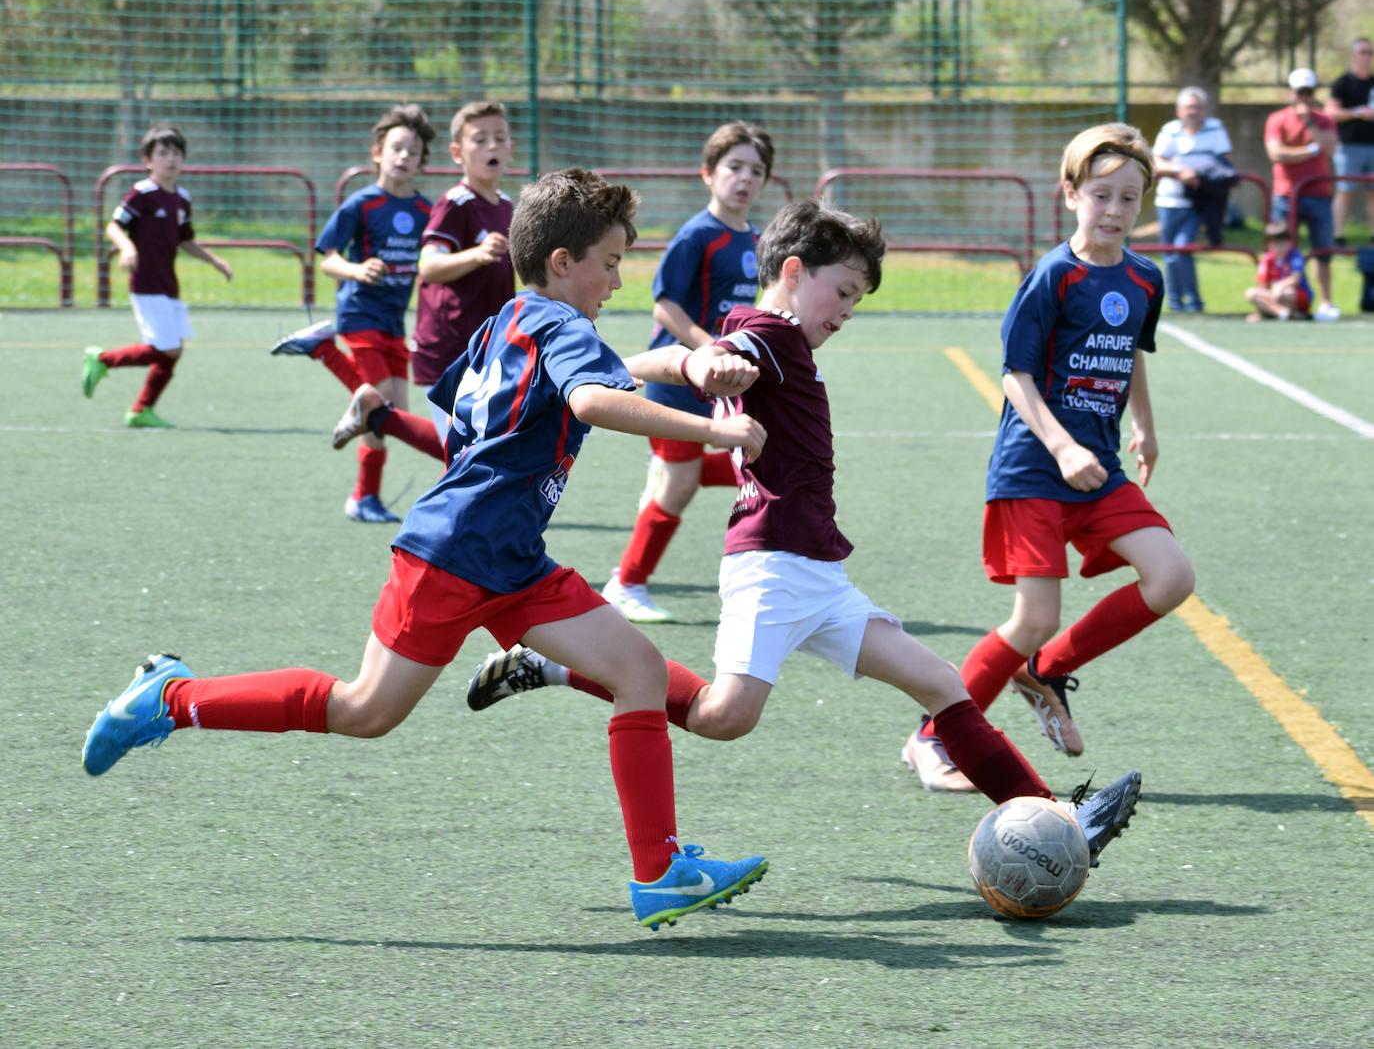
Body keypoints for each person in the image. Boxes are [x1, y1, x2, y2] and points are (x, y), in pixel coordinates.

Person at [81, 168, 772, 932]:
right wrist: (714, 428)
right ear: (562, 262)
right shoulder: (565, 330)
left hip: (511, 558)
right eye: (609, 263)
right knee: (363, 711)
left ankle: (659, 872)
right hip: (455, 555)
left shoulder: (509, 320)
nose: (617, 280)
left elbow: (491, 416)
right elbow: (590, 398)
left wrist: (682, 364)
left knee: (638, 671)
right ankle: (170, 700)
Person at [465, 196, 1143, 868]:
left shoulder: (765, 333)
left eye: (856, 301)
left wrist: (642, 365)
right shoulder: (771, 333)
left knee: (941, 683)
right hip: (771, 563)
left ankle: (1060, 818)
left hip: (816, 568)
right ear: (793, 271)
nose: (846, 311)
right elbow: (707, 355)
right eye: (842, 292)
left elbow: (693, 354)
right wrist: (698, 364)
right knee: (723, 717)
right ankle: (557, 664)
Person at [901, 123, 1193, 791]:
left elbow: (1131, 353)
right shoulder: (1053, 275)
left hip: (1099, 469)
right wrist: (1060, 446)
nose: (1114, 210)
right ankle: (931, 737)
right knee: (1033, 618)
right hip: (1034, 468)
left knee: (1171, 577)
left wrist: (1145, 426)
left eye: (1129, 198)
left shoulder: (1145, 278)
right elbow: (1016, 375)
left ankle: (1047, 669)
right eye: (1101, 195)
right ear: (1070, 195)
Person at [602, 121, 775, 623]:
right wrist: (708, 349)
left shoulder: (756, 239)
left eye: (756, 171)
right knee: (681, 484)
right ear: (708, 173)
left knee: (756, 456)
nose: (745, 178)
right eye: (734, 167)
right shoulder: (697, 235)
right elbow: (665, 306)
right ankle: (625, 583)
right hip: (675, 378)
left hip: (714, 380)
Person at [270, 104, 445, 523]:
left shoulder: (427, 211)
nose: (404, 156)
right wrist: (356, 269)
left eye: (413, 151)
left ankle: (366, 497)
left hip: (393, 320)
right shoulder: (361, 204)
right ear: (377, 153)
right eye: (396, 148)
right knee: (376, 403)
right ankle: (364, 497)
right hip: (360, 312)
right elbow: (328, 259)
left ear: (422, 161)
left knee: (393, 414)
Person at [81, 122, 233, 428]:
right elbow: (114, 226)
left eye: (176, 153)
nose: (171, 159)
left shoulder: (182, 198)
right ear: (148, 161)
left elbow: (185, 240)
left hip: (168, 284)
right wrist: (127, 248)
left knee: (172, 353)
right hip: (146, 283)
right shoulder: (143, 193)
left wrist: (214, 261)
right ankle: (103, 360)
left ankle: (140, 411)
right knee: (167, 348)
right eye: (163, 153)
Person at [412, 100, 517, 439]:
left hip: (487, 347)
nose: (492, 146)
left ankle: (380, 414)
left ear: (511, 148)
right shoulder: (454, 204)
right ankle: (380, 415)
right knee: (460, 452)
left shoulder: (507, 206)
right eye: (480, 139)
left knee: (477, 448)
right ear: (457, 153)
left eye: (499, 138)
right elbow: (429, 267)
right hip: (450, 349)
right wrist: (478, 254)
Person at [1265, 68, 1341, 321]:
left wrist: (1309, 123)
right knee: (1282, 251)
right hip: (1286, 195)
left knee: (1323, 251)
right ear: (1291, 93)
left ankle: (1326, 302)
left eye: (1308, 92)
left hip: (1319, 194)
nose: (1304, 98)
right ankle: (1278, 302)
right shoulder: (1277, 119)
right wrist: (1312, 150)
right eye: (1300, 92)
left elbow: (1330, 148)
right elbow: (1277, 153)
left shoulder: (1324, 120)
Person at [1152, 87, 1234, 313]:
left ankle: (1194, 301)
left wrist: (1199, 174)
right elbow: (1156, 162)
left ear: (1204, 110)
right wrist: (1180, 171)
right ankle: (1175, 303)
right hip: (1168, 202)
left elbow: (1224, 163)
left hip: (1198, 202)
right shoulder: (1169, 131)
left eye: (1197, 107)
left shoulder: (1215, 128)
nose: (1193, 112)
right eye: (1189, 107)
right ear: (1179, 111)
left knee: (1182, 248)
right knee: (1170, 254)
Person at [1325, 37, 1374, 246]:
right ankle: (1337, 236)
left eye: (1370, 52)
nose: (1367, 56)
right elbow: (1330, 112)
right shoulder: (1343, 83)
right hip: (1348, 146)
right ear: (1353, 55)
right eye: (1363, 52)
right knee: (1345, 190)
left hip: (1372, 145)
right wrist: (1356, 112)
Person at [1245, 221, 1314, 321]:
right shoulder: (1267, 260)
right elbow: (1263, 285)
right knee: (1251, 293)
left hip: (1294, 296)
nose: (1279, 248)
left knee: (1287, 293)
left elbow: (1296, 279)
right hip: (1274, 295)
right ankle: (1282, 313)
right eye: (1276, 244)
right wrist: (1259, 311)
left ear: (1289, 242)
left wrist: (1279, 286)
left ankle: (1295, 313)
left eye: (1282, 243)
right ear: (1269, 245)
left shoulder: (1295, 256)